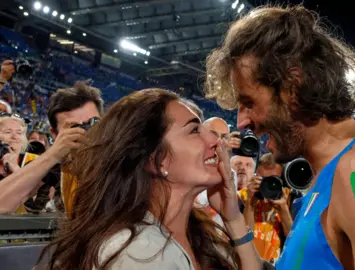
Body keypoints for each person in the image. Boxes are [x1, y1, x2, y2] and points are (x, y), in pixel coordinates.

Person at [205, 5, 355, 269]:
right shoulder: (331, 173)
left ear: (292, 88)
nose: (242, 121)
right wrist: (233, 217)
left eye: (248, 102)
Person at [38, 88, 263, 269]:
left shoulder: (201, 233)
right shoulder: (137, 253)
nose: (216, 142)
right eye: (195, 131)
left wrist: (233, 219)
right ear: (156, 159)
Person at [0, 81, 101, 214]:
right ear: (54, 135)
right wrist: (52, 156)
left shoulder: (121, 164)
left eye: (93, 123)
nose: (85, 132)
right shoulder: (51, 169)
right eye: (75, 127)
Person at [239, 153, 293, 263]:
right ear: (255, 176)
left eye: (274, 180)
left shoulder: (290, 198)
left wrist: (283, 210)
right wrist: (250, 203)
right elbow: (244, 238)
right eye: (263, 179)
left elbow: (295, 241)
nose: (268, 185)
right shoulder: (241, 197)